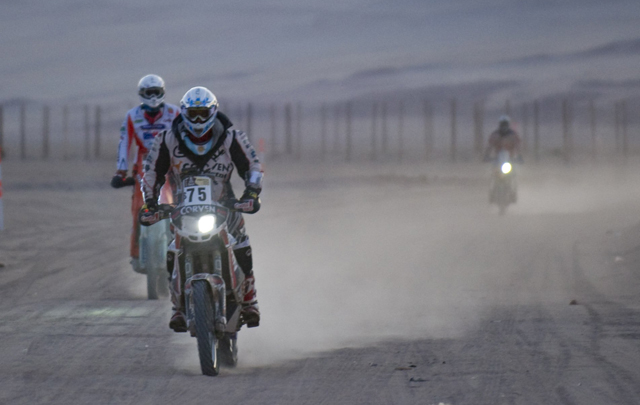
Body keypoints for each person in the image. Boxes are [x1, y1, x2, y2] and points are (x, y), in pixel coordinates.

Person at [139, 86, 263, 332]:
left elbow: (253, 166)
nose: (198, 120)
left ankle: (249, 299)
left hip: (224, 205)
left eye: (203, 114)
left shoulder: (231, 137)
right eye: (193, 114)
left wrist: (251, 193)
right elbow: (152, 172)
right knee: (173, 247)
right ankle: (178, 307)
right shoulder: (166, 139)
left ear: (213, 112)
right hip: (183, 210)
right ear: (184, 113)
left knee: (240, 240)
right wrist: (150, 202)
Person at [110, 74, 180, 274]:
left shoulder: (174, 113)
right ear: (141, 94)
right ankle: (136, 252)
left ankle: (182, 245)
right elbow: (124, 142)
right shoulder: (132, 116)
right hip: (144, 160)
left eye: (156, 92)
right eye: (148, 93)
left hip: (171, 160)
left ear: (162, 93)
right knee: (138, 208)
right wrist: (121, 171)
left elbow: (184, 138)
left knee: (180, 204)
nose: (152, 96)